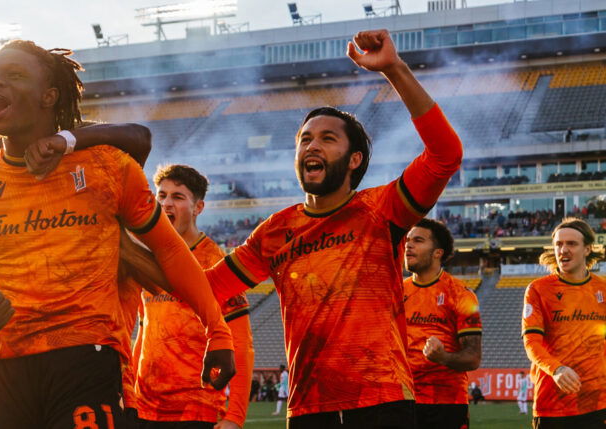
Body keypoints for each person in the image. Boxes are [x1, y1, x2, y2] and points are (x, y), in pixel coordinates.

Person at [0, 40, 235, 429]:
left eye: (13, 75)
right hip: (6, 369)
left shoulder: (107, 168)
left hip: (88, 358)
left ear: (50, 95)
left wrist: (219, 331)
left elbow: (171, 250)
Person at [205, 29, 463, 428]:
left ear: (354, 159)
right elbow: (209, 288)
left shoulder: (380, 210)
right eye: (305, 139)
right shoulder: (275, 231)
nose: (312, 146)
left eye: (328, 139)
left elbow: (445, 155)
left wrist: (394, 69)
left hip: (382, 402)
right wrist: (139, 244)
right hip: (309, 410)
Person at [132, 164, 254, 429]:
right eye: (161, 196)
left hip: (195, 409)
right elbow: (144, 332)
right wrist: (130, 391)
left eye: (177, 197)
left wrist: (235, 416)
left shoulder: (215, 262)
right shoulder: (147, 258)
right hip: (144, 408)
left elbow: (241, 344)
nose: (166, 204)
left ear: (198, 207)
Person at [522, 218, 606, 428]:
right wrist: (557, 369)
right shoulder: (538, 290)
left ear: (587, 249)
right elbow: (531, 343)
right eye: (558, 244)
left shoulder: (603, 289)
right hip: (552, 404)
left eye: (571, 244)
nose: (563, 250)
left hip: (598, 402)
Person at [403, 218, 482, 429]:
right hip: (402, 401)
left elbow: (473, 358)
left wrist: (443, 357)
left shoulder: (461, 295)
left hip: (446, 403)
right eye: (408, 240)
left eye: (418, 240)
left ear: (437, 252)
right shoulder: (396, 292)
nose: (408, 245)